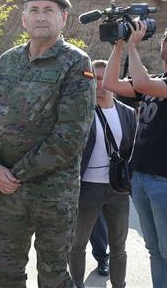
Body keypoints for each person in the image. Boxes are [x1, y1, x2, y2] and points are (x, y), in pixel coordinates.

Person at [0, 0, 96, 288]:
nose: (41, 17)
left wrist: (16, 173)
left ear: (63, 18)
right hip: (5, 192)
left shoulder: (75, 63)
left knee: (53, 276)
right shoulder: (8, 61)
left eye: (49, 11)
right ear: (24, 18)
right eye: (34, 10)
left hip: (52, 194)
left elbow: (70, 135)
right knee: (4, 270)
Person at [103, 24, 167, 288]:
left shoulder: (152, 83)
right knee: (154, 250)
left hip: (163, 181)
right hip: (140, 177)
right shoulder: (155, 80)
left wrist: (132, 45)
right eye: (165, 39)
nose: (165, 44)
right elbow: (110, 83)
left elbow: (140, 83)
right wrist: (119, 45)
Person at [68, 60, 135, 288]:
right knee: (77, 243)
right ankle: (77, 284)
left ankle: (119, 284)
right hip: (87, 187)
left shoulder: (127, 113)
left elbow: (131, 150)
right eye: (96, 78)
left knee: (118, 246)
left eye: (106, 78)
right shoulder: (82, 112)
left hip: (118, 189)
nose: (102, 83)